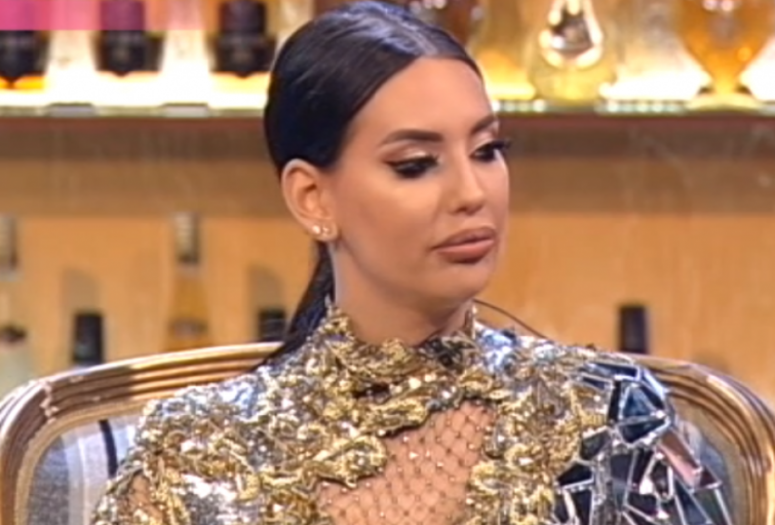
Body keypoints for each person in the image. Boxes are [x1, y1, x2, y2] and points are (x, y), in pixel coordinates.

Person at [90, 1, 732, 524]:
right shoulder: (199, 450)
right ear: (313, 198)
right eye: (416, 165)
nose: (472, 193)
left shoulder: (605, 415)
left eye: (487, 150)